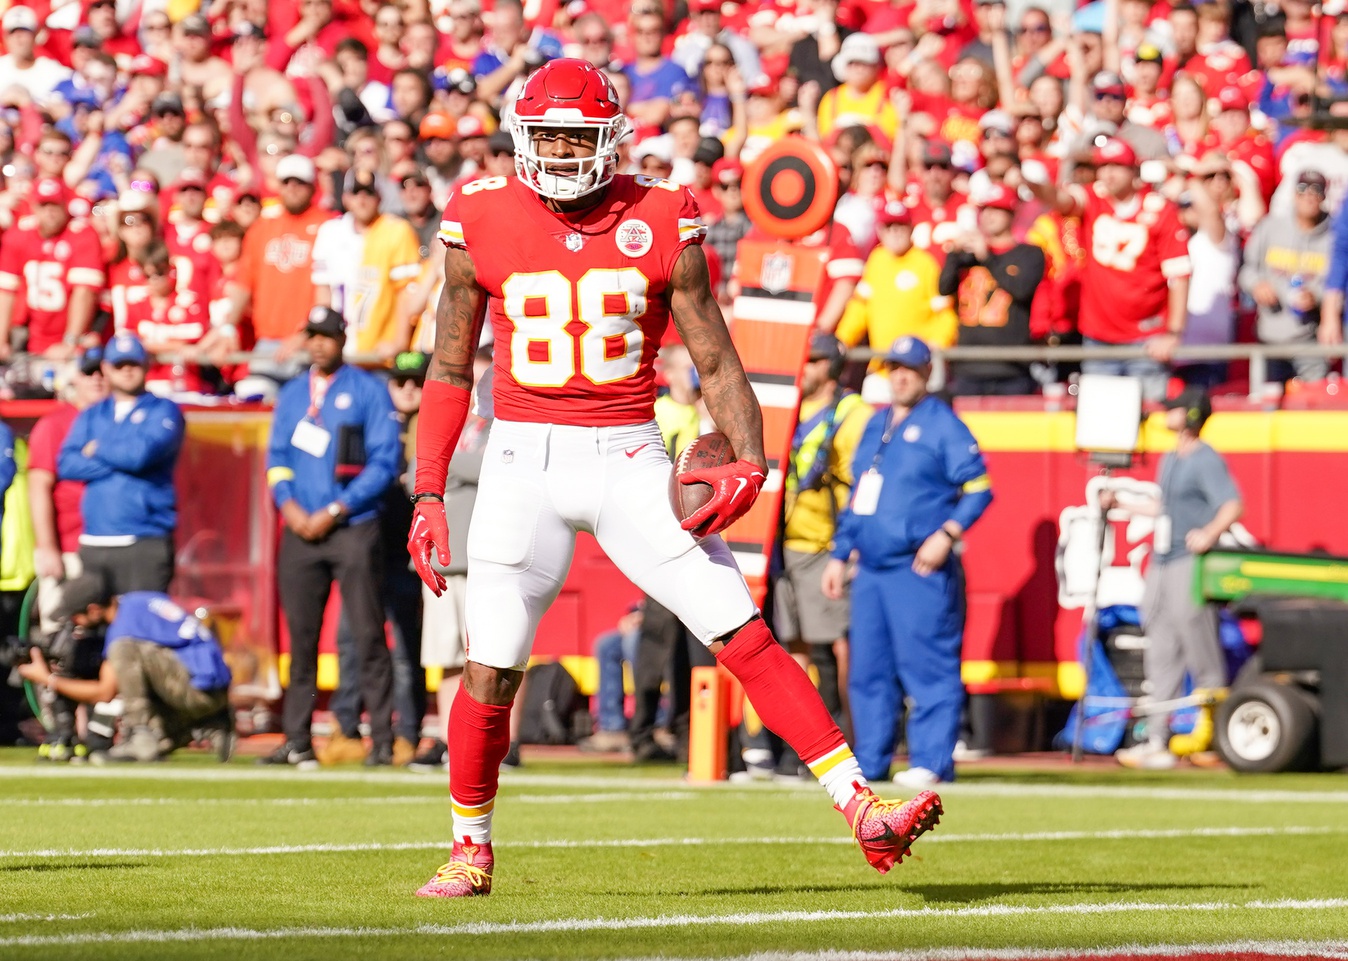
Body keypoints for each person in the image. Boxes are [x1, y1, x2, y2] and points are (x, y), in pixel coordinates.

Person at [408, 59, 941, 899]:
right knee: (491, 665)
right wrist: (429, 489)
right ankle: (469, 847)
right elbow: (447, 363)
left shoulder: (659, 214)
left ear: (609, 140)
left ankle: (862, 808)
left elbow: (717, 358)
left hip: (627, 450)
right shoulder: (480, 213)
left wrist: (752, 459)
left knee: (740, 626)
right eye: (544, 133)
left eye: (574, 136)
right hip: (519, 455)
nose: (556, 150)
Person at [822, 336, 993, 790]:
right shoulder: (877, 425)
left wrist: (947, 534)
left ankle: (932, 759)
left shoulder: (944, 425)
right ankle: (872, 760)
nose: (899, 376)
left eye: (909, 369)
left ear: (925, 374)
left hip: (918, 570)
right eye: (893, 368)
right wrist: (840, 554)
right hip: (873, 570)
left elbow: (979, 489)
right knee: (868, 672)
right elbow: (859, 498)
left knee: (928, 667)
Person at [263, 307, 401, 768]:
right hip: (300, 527)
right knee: (300, 641)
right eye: (313, 336)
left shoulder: (367, 390)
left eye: (327, 335)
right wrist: (289, 505)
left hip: (352, 525)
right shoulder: (292, 394)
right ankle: (297, 739)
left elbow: (385, 462)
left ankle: (381, 738)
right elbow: (278, 457)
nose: (319, 344)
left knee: (367, 634)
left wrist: (337, 508)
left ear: (342, 339)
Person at [1106, 387, 1243, 770]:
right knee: (1161, 647)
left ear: (1193, 414)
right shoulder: (1170, 458)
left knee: (1200, 645)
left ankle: (1215, 734)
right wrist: (1121, 503)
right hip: (1164, 560)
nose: (1168, 414)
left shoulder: (1205, 458)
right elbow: (1163, 507)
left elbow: (1231, 503)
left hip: (1188, 561)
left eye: (1177, 409)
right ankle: (1157, 738)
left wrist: (1210, 533)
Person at [1023, 137, 1191, 402]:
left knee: (1149, 413)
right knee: (1102, 420)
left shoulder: (1160, 210)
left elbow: (1180, 275)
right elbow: (1061, 200)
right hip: (1099, 335)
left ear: (1133, 171)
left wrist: (1173, 332)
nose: (1108, 173)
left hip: (1145, 336)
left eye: (1116, 166)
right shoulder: (1093, 199)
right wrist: (1035, 185)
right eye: (1103, 166)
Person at [323, 351, 429, 768]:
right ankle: (346, 728)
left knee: (405, 649)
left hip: (406, 557)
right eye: (400, 381)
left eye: (417, 382)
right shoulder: (372, 423)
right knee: (352, 641)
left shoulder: (436, 430)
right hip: (365, 550)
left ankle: (407, 733)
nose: (408, 389)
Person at [17, 574, 232, 763]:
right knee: (161, 740)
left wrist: (48, 679)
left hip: (197, 688)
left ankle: (140, 734)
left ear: (93, 609)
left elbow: (104, 692)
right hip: (211, 688)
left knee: (123, 650)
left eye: (77, 617)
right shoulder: (138, 602)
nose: (76, 624)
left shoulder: (122, 629)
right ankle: (210, 725)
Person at [773, 333, 870, 745]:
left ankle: (852, 735)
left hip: (826, 545)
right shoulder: (787, 407)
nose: (804, 368)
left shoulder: (853, 412)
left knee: (835, 647)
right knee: (793, 645)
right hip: (783, 543)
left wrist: (849, 547)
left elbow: (863, 482)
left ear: (832, 367)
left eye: (813, 360)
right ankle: (806, 740)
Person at [410, 350, 494, 773]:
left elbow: (498, 467)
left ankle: (502, 741)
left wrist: (451, 468)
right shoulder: (450, 419)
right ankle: (447, 738)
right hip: (445, 556)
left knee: (498, 651)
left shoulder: (502, 420)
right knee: (445, 655)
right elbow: (415, 474)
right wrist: (459, 471)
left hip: (491, 553)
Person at [57, 334, 185, 596]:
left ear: (146, 365)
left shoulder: (164, 410)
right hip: (95, 539)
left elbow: (140, 455)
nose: (126, 371)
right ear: (106, 368)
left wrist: (97, 449)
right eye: (118, 364)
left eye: (133, 364)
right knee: (91, 631)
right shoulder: (93, 413)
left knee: (139, 630)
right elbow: (67, 463)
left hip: (143, 540)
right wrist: (121, 459)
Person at [27, 348, 108, 636]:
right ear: (76, 376)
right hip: (69, 549)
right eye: (89, 372)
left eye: (102, 371)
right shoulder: (55, 424)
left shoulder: (119, 421)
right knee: (62, 635)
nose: (97, 378)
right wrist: (47, 547)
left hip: (110, 548)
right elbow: (38, 487)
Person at [939, 184, 1045, 396]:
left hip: (1011, 369)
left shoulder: (1029, 254)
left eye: (997, 209)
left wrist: (987, 257)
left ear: (1012, 214)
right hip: (968, 368)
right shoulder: (966, 257)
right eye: (985, 209)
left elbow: (1021, 289)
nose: (989, 216)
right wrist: (953, 254)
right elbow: (943, 288)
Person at [311, 168, 423, 359]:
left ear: (379, 197)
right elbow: (324, 293)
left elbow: (406, 293)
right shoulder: (330, 232)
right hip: (339, 348)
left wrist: (399, 341)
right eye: (356, 192)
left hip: (379, 350)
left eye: (368, 193)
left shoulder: (396, 231)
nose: (362, 200)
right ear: (345, 198)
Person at [1240, 169, 1334, 384]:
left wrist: (1316, 296)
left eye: (1316, 190)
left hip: (1310, 339)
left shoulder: (1333, 236)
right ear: (1294, 194)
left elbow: (1338, 282)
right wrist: (1257, 284)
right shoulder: (1271, 226)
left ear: (1324, 196)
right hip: (1269, 336)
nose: (1309, 196)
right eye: (1303, 190)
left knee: (1314, 404)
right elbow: (1246, 271)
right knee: (1268, 404)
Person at [0, 177, 104, 363]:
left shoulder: (81, 233)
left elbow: (84, 293)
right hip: (28, 337)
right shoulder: (19, 234)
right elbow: (6, 291)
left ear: (65, 205)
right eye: (43, 205)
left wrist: (70, 341)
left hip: (69, 338)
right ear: (33, 207)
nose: (49, 211)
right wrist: (1, 340)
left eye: (55, 205)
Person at [578, 602, 644, 753]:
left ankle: (657, 724)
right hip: (649, 623)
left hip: (673, 627)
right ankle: (613, 728)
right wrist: (634, 617)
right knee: (607, 644)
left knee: (634, 641)